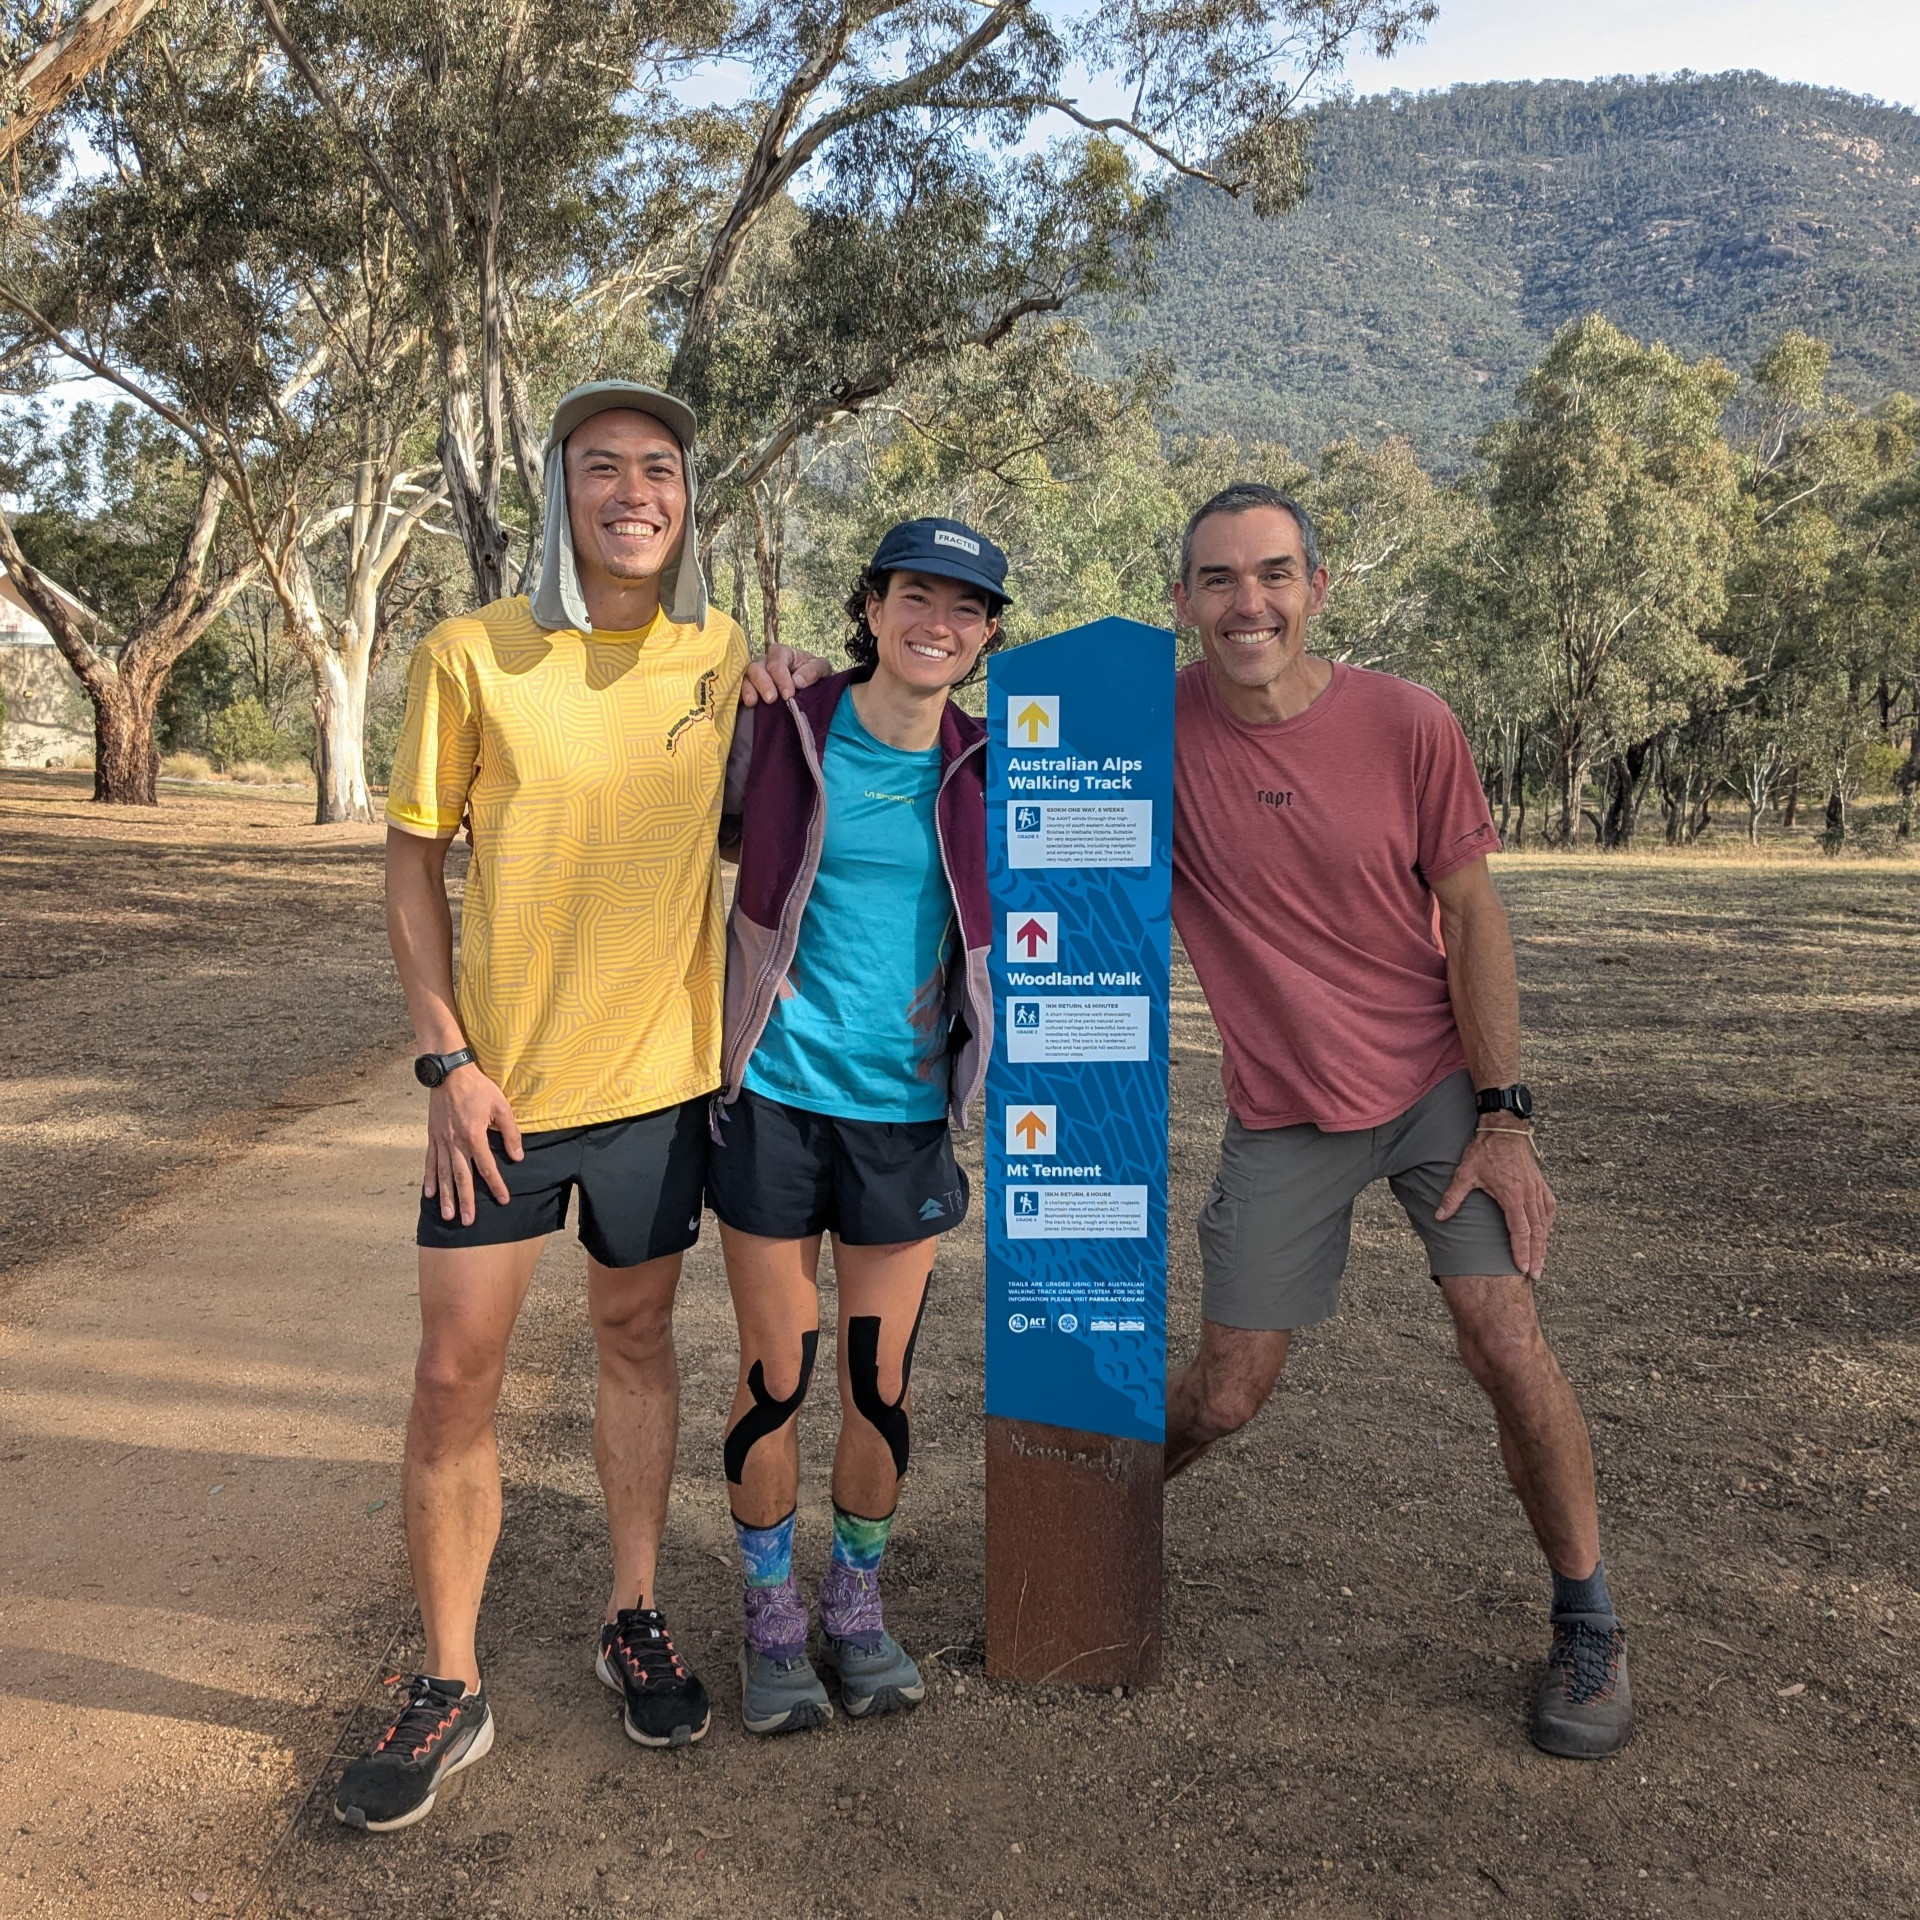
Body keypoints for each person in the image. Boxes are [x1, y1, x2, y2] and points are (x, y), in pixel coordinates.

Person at [332, 382, 825, 1833]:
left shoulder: (714, 650)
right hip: (498, 1098)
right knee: (452, 1375)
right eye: (601, 467)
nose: (633, 491)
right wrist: (444, 1060)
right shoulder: (471, 653)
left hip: (659, 1094)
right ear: (561, 490)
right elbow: (414, 859)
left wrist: (789, 688)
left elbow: (753, 813)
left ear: (687, 498)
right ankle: (447, 1682)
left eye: (658, 469)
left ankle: (630, 1612)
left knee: (633, 1342)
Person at [1163, 482, 1632, 1760]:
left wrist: (1505, 1117)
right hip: (1285, 1108)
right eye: (1218, 579)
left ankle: (1588, 1618)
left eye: (1271, 574)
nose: (1246, 602)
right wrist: (825, 675)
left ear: (1317, 588)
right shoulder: (1153, 725)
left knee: (1504, 1338)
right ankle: (1091, 1536)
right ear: (1183, 601)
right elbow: (982, 738)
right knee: (1223, 1395)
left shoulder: (1408, 722)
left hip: (1436, 1091)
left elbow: (1472, 912)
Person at [706, 517, 1005, 1734]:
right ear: (873, 606)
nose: (937, 623)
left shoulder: (993, 761)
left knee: (881, 1384)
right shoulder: (784, 727)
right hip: (775, 1101)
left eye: (965, 609)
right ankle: (772, 1618)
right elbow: (674, 802)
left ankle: (855, 1603)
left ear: (986, 639)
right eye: (915, 597)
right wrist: (739, 680)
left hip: (902, 1116)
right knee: (778, 1373)